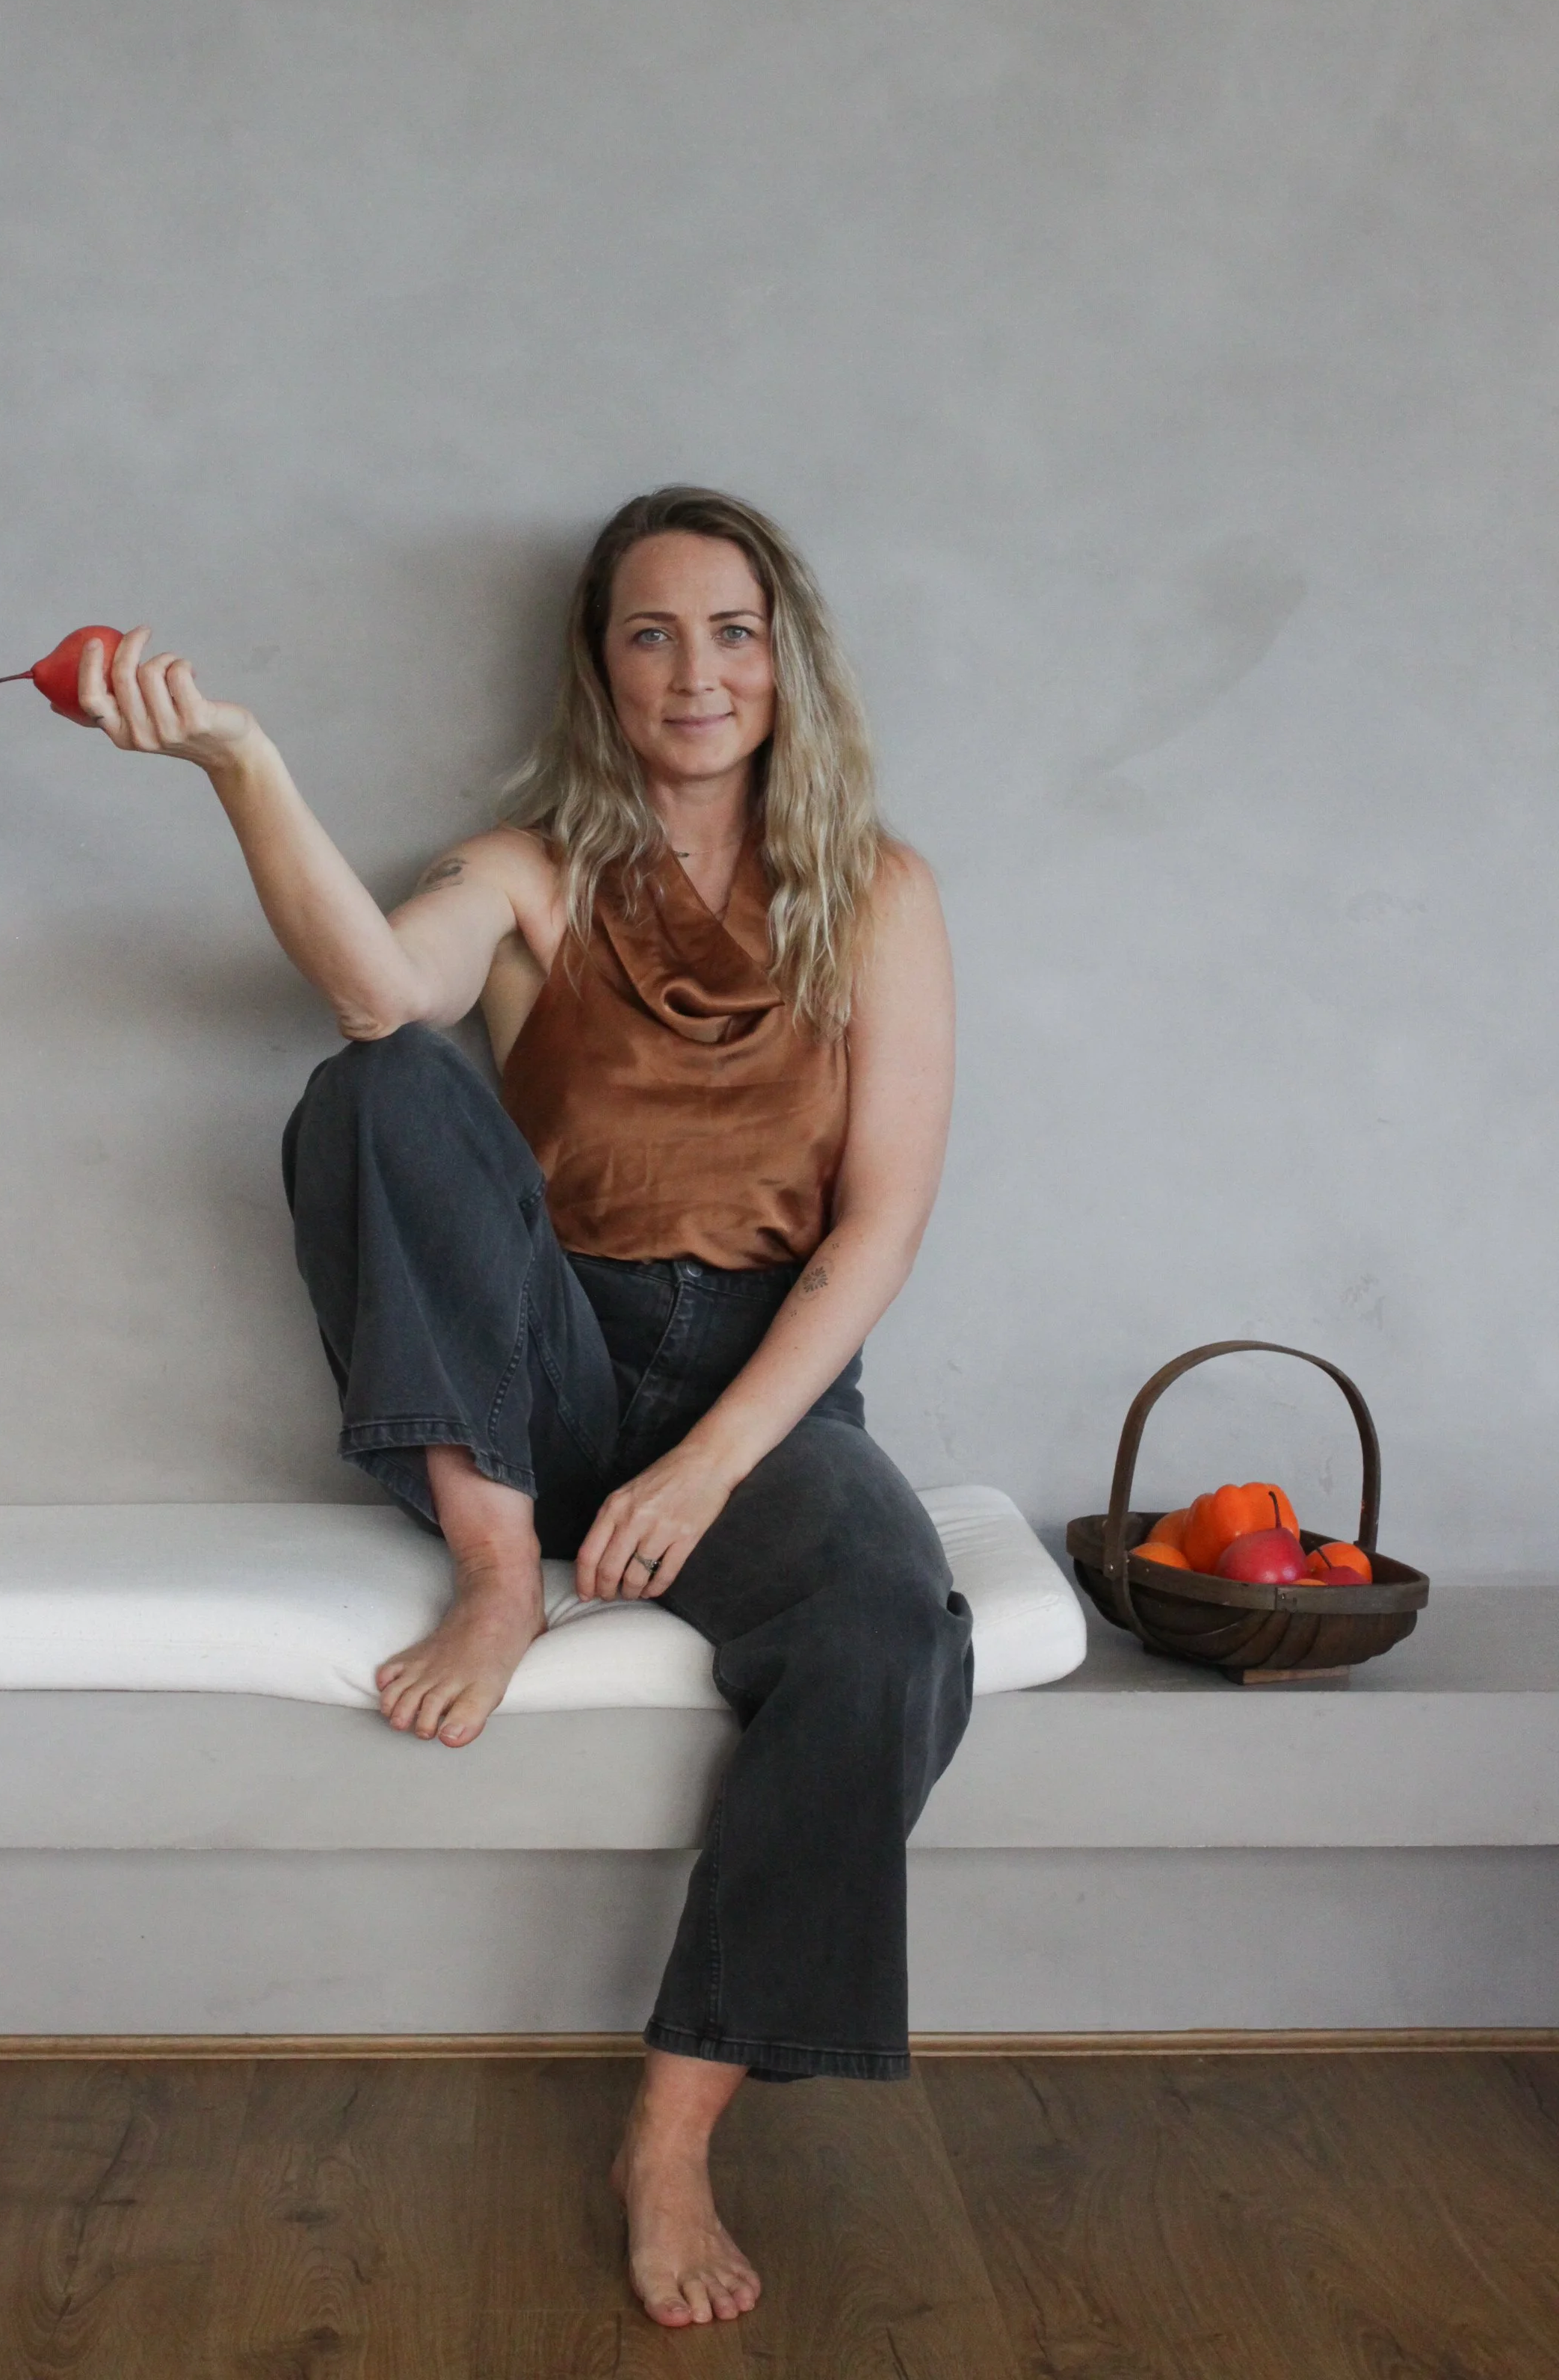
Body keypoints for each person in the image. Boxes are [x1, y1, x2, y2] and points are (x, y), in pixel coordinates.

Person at [72, 486, 972, 2329]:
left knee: (891, 1618)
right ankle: (498, 1570)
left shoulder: (879, 892)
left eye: (731, 630)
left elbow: (881, 1227)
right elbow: (372, 982)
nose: (696, 670)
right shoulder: (536, 871)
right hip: (541, 1375)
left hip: (766, 1401)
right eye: (651, 632)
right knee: (383, 1077)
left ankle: (671, 2133)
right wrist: (238, 758)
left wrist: (720, 1467)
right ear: (602, 668)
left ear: (782, 661)